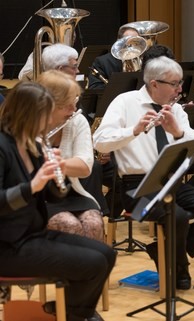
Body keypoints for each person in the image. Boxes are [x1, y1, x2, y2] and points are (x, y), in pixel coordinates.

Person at [93, 56, 194, 289]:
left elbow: (193, 147)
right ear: (154, 83)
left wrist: (178, 133)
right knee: (176, 216)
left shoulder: (176, 109)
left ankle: (163, 252)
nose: (180, 89)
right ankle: (179, 267)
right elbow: (100, 142)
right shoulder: (125, 102)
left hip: (172, 182)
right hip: (136, 191)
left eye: (180, 84)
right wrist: (134, 130)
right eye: (175, 84)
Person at [0, 81, 116, 321]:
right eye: (46, 115)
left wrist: (55, 174)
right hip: (8, 245)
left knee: (106, 254)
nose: (50, 121)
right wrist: (32, 185)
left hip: (31, 234)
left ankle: (71, 312)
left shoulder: (30, 144)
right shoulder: (3, 147)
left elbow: (53, 196)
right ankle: (75, 315)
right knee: (92, 263)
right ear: (29, 115)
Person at [37, 70, 104, 242]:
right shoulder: (29, 125)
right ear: (48, 104)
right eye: (67, 104)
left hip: (72, 191)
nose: (73, 109)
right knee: (69, 225)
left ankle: (92, 267)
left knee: (94, 223)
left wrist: (58, 163)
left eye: (74, 101)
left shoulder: (77, 121)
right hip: (38, 197)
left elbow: (85, 166)